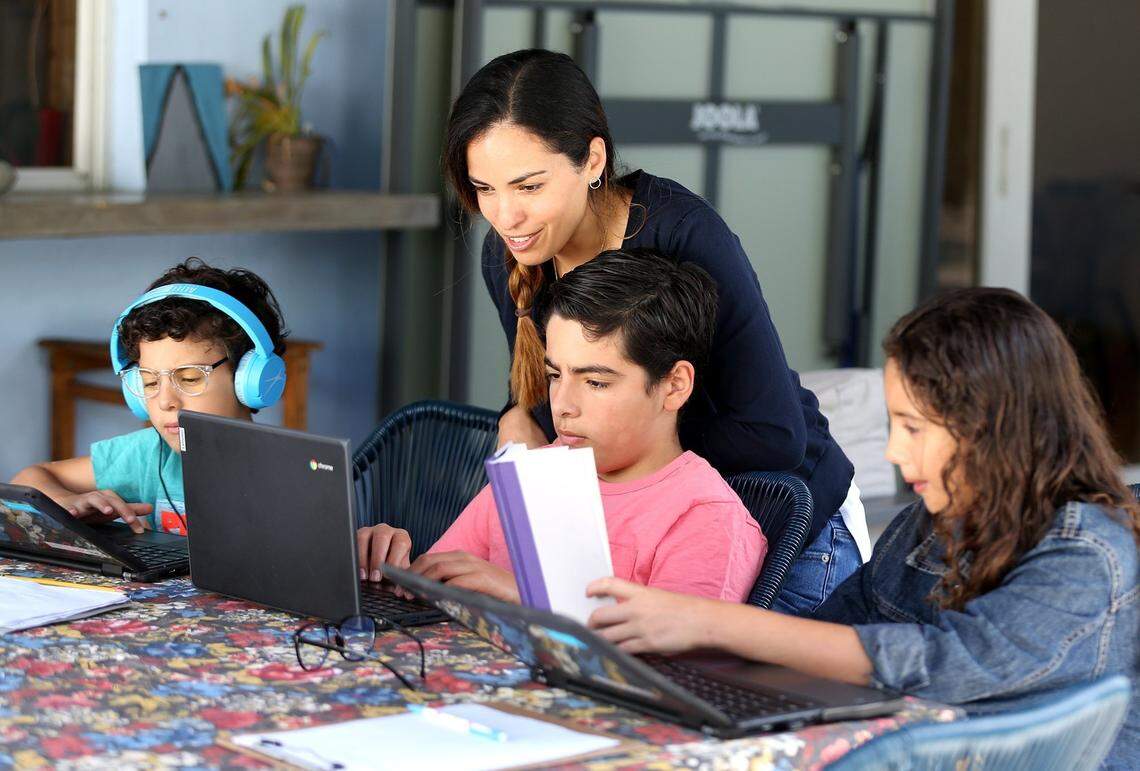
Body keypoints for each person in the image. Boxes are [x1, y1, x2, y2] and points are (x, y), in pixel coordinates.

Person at [584, 287, 1139, 770]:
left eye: (914, 428)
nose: (896, 452)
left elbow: (942, 664)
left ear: (997, 427)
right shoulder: (930, 525)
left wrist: (713, 622)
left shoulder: (1086, 554)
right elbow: (835, 628)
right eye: (894, 424)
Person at [443, 48, 866, 613]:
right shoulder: (510, 254)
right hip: (645, 527)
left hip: (790, 524)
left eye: (528, 186)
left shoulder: (684, 235)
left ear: (593, 160)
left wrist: (622, 440)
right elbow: (557, 398)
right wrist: (518, 415)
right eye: (484, 189)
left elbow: (774, 434)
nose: (505, 216)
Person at [356, 248, 766, 603]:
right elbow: (436, 589)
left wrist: (524, 595)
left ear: (674, 386)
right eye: (555, 375)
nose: (563, 406)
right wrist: (386, 564)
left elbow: (679, 676)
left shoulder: (705, 519)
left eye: (596, 382)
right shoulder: (534, 473)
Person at [11, 258, 289, 535]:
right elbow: (28, 481)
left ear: (250, 378)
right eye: (150, 381)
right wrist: (67, 502)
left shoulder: (288, 471)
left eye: (189, 378)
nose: (165, 401)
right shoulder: (148, 454)